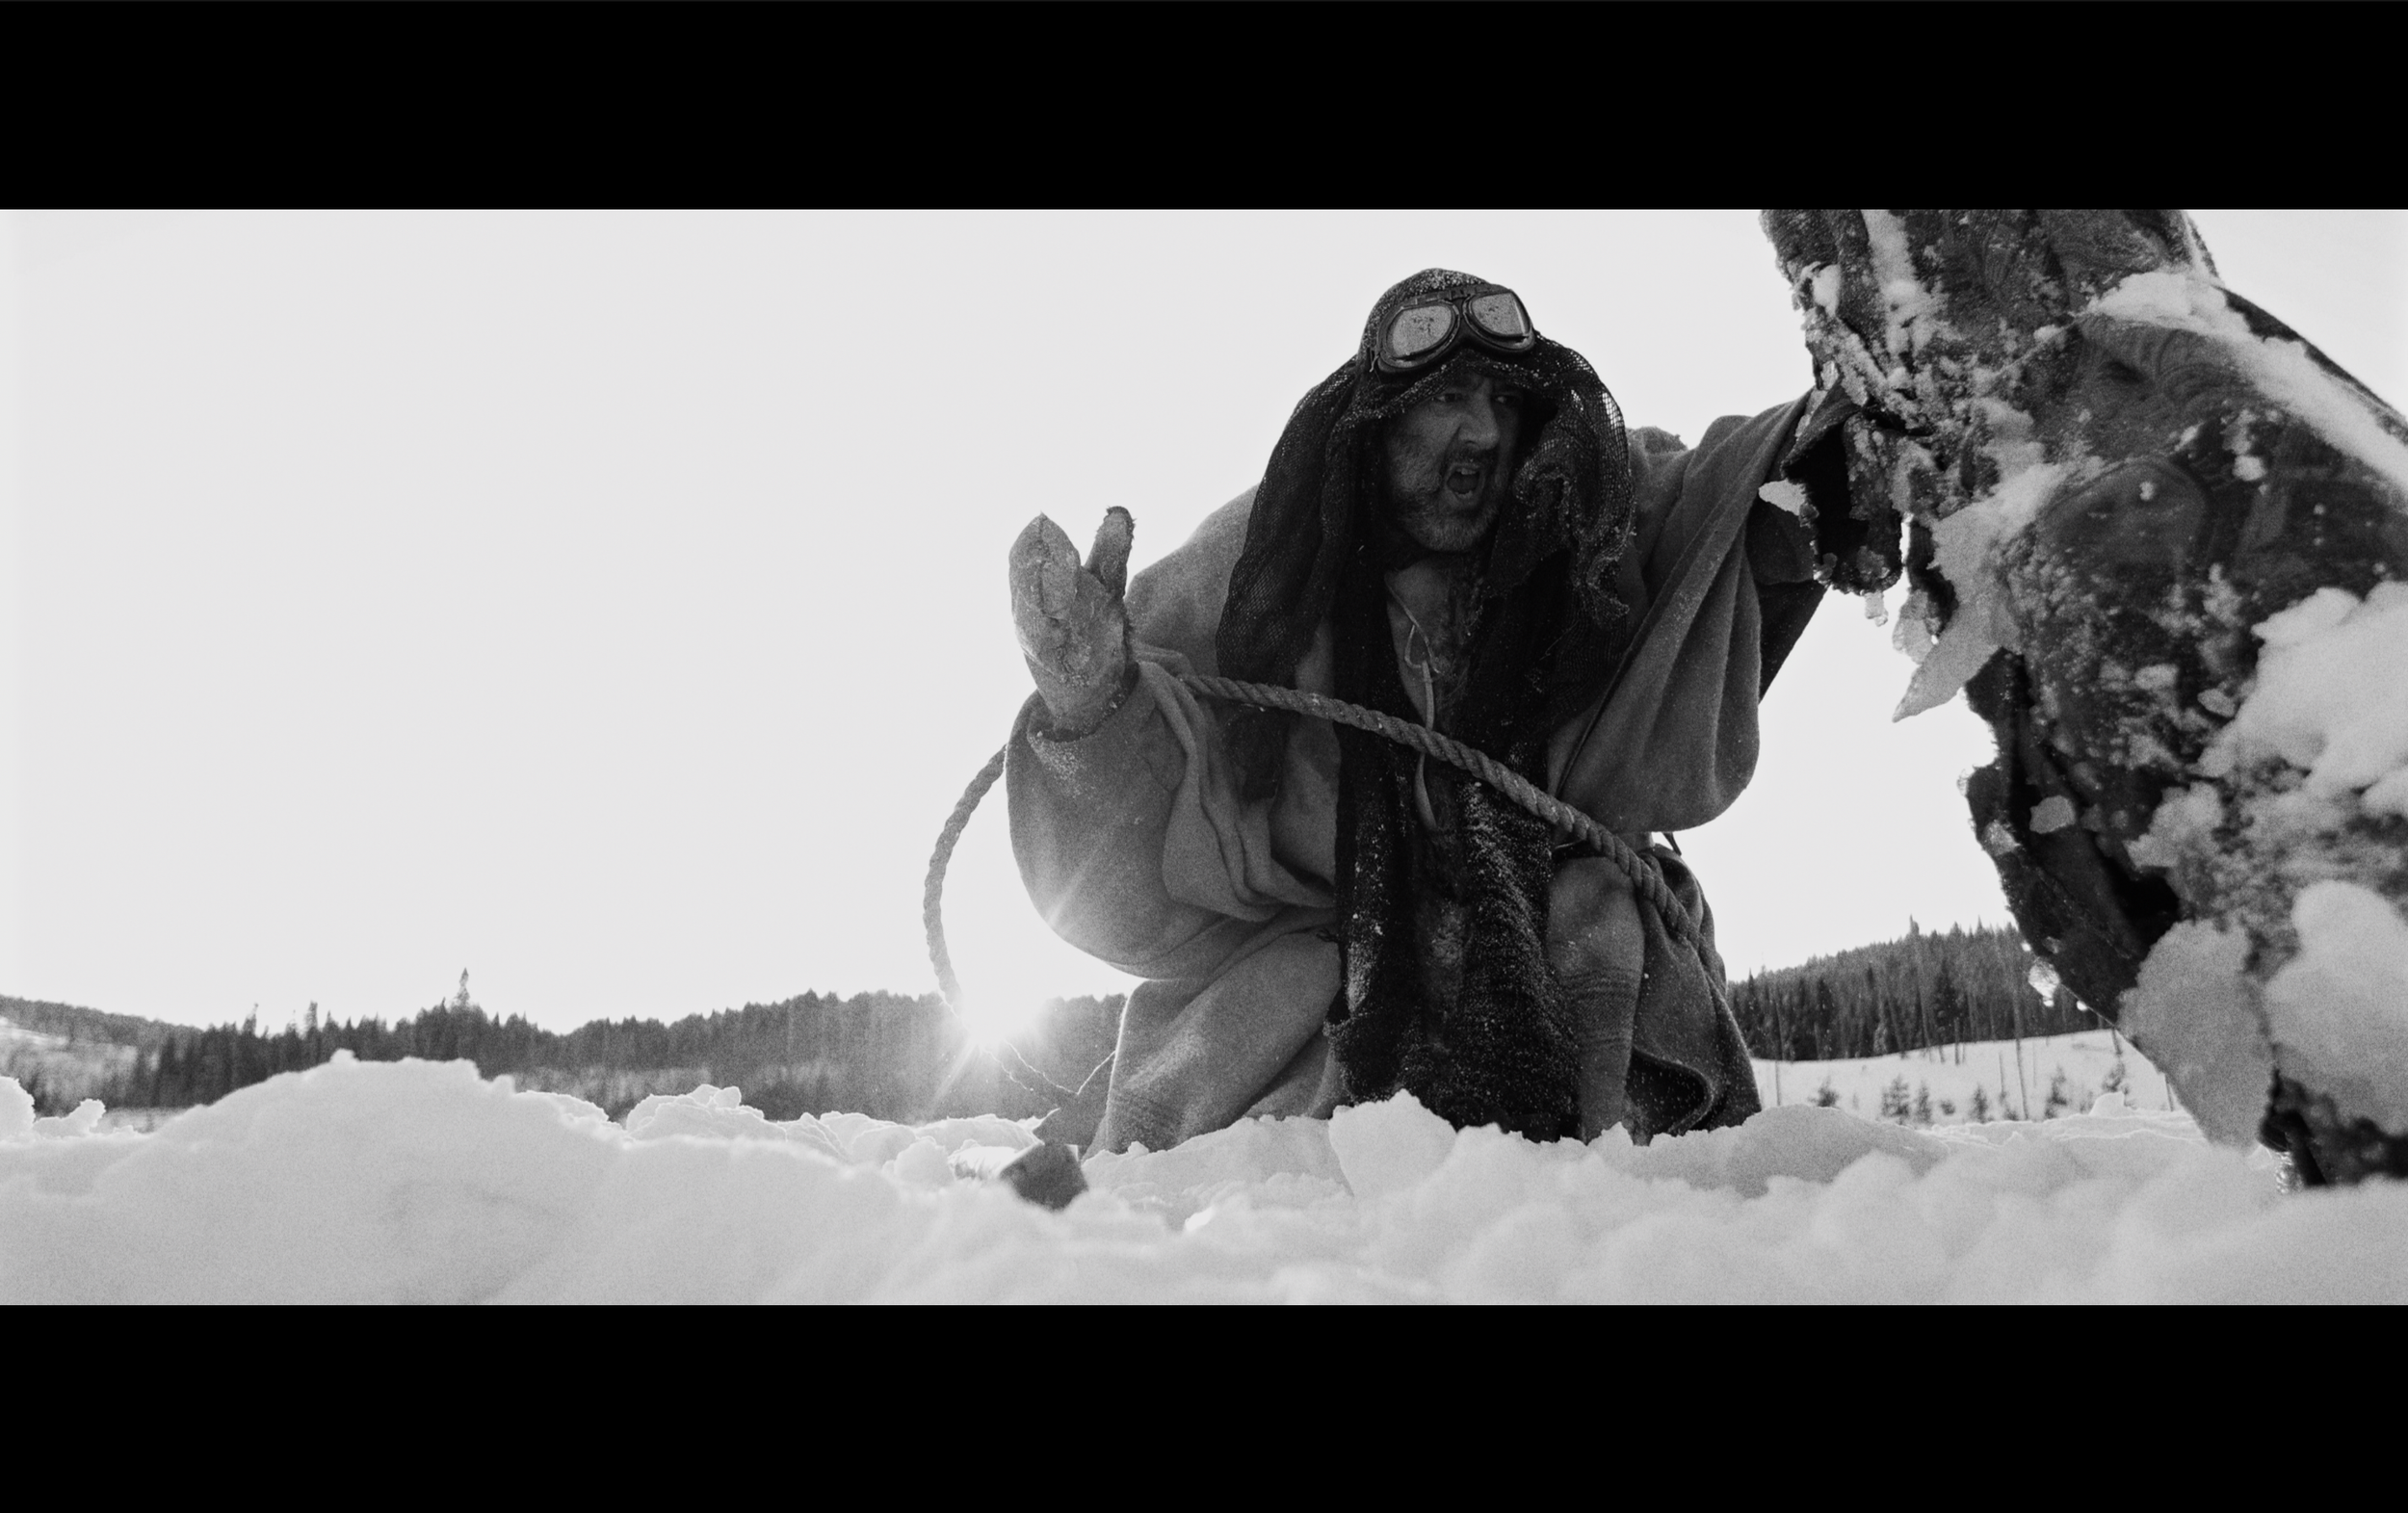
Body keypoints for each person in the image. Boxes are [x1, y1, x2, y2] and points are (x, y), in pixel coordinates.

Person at [1006, 269, 1873, 1156]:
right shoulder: (1258, 567)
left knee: (1598, 919)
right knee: (1284, 997)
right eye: (1448, 395)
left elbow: (1719, 510)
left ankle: (1607, 1184)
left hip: (1572, 954)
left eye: (1504, 398)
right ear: (1378, 423)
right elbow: (1134, 861)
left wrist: (1827, 467)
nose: (1486, 432)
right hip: (1320, 981)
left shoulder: (1590, 522)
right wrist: (1090, 707)